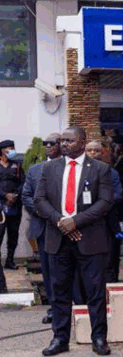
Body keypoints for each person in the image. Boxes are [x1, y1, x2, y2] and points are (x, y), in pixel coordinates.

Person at [34, 127, 114, 356]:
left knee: (94, 291)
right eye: (63, 140)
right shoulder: (49, 168)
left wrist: (75, 222)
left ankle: (99, 338)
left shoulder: (100, 169)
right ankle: (60, 339)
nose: (65, 144)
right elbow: (39, 200)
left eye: (70, 140)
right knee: (59, 291)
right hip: (58, 239)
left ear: (82, 141)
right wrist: (61, 222)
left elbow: (105, 203)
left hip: (90, 239)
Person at [21, 133, 62, 319]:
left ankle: (76, 306)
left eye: (52, 143)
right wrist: (46, 213)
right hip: (44, 226)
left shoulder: (69, 168)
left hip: (67, 226)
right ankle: (54, 309)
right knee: (48, 270)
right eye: (46, 143)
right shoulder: (35, 169)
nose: (47, 146)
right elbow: (26, 196)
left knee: (68, 269)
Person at [85, 140, 123, 283]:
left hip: (108, 222)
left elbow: (118, 195)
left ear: (102, 153)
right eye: (90, 150)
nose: (93, 153)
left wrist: (100, 205)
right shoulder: (78, 172)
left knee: (110, 260)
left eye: (96, 150)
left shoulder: (111, 172)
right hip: (85, 223)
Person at [0, 139, 24, 269]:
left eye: (13, 148)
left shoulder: (17, 165)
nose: (12, 151)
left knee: (13, 234)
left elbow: (23, 182)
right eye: (9, 148)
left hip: (15, 204)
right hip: (1, 205)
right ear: (2, 151)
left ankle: (10, 260)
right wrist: (5, 195)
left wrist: (15, 195)